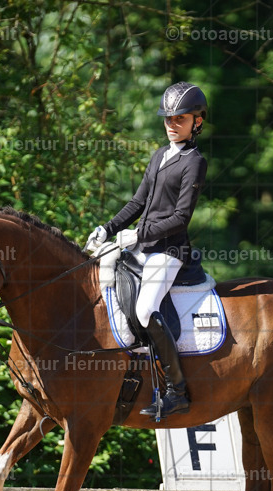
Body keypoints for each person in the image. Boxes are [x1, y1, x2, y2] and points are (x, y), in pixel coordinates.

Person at [86, 82, 208, 418]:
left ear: (197, 122)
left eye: (179, 119)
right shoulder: (159, 155)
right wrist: (108, 228)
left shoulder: (194, 162)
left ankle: (177, 390)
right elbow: (138, 201)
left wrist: (137, 235)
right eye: (167, 118)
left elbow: (181, 217)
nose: (171, 124)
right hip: (143, 245)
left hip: (169, 252)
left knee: (144, 309)